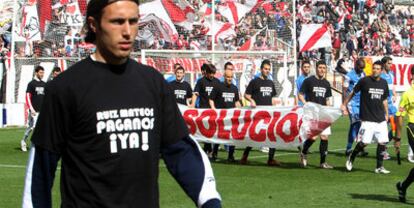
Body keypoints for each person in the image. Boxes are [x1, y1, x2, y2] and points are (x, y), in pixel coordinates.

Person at [22, 1, 221, 207]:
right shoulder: (66, 87)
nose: (127, 31)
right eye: (117, 22)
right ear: (93, 24)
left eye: (133, 21)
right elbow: (40, 168)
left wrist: (210, 201)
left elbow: (182, 150)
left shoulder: (153, 83)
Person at [342, 60, 390, 174]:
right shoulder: (364, 81)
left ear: (381, 70)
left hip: (380, 118)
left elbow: (384, 100)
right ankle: (351, 157)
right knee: (364, 142)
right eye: (374, 68)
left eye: (378, 69)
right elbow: (353, 92)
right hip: (367, 118)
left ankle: (379, 167)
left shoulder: (384, 83)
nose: (375, 70)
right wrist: (344, 104)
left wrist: (387, 114)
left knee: (382, 142)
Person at [240, 59, 280, 166]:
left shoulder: (271, 83)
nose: (267, 71)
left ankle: (271, 159)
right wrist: (252, 100)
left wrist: (275, 108)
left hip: (269, 114)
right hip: (257, 114)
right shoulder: (254, 82)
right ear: (261, 69)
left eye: (269, 69)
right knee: (254, 136)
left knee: (272, 135)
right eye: (265, 69)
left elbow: (272, 98)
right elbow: (246, 95)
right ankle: (244, 156)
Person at [298, 60, 334, 169]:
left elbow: (327, 100)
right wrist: (306, 104)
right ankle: (304, 152)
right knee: (313, 137)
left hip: (323, 114)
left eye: (324, 68)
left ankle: (323, 163)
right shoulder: (309, 81)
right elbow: (300, 95)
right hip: (312, 114)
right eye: (320, 68)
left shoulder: (327, 83)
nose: (322, 70)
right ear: (316, 68)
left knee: (324, 137)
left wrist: (329, 113)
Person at [209, 68, 241, 163]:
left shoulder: (234, 88)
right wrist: (214, 110)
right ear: (224, 77)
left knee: (233, 136)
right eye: (228, 77)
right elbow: (211, 99)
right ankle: (214, 154)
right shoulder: (218, 86)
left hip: (232, 117)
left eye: (231, 77)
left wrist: (241, 110)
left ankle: (231, 156)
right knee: (219, 136)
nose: (229, 79)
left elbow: (236, 102)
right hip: (221, 116)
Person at [190, 63, 221, 158]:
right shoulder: (201, 81)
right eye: (210, 73)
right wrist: (192, 106)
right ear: (206, 72)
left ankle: (211, 150)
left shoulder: (217, 82)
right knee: (205, 130)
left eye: (213, 73)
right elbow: (196, 94)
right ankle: (208, 149)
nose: (212, 75)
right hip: (203, 109)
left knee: (213, 130)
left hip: (214, 110)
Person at [395, 65, 414, 203]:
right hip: (412, 127)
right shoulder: (408, 94)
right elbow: (400, 116)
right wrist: (398, 137)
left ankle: (403, 187)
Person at [343, 58, 368, 156]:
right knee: (355, 124)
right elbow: (344, 90)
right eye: (360, 67)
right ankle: (349, 148)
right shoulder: (349, 76)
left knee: (361, 126)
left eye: (363, 68)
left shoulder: (363, 74)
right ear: (355, 65)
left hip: (361, 103)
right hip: (351, 103)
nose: (361, 69)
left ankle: (359, 148)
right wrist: (344, 104)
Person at [20, 66, 45, 152]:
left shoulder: (44, 84)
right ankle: (34, 145)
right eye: (41, 72)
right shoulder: (31, 84)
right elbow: (27, 97)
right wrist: (31, 109)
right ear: (36, 73)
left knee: (31, 127)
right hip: (34, 110)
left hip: (42, 110)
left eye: (43, 73)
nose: (42, 74)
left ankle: (23, 141)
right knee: (34, 127)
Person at [380, 56, 397, 160]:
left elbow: (392, 87)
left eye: (391, 63)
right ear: (384, 64)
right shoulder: (380, 76)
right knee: (382, 130)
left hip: (391, 106)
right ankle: (382, 151)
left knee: (396, 128)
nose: (391, 65)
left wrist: (394, 94)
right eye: (389, 63)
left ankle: (384, 145)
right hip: (383, 107)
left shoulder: (391, 74)